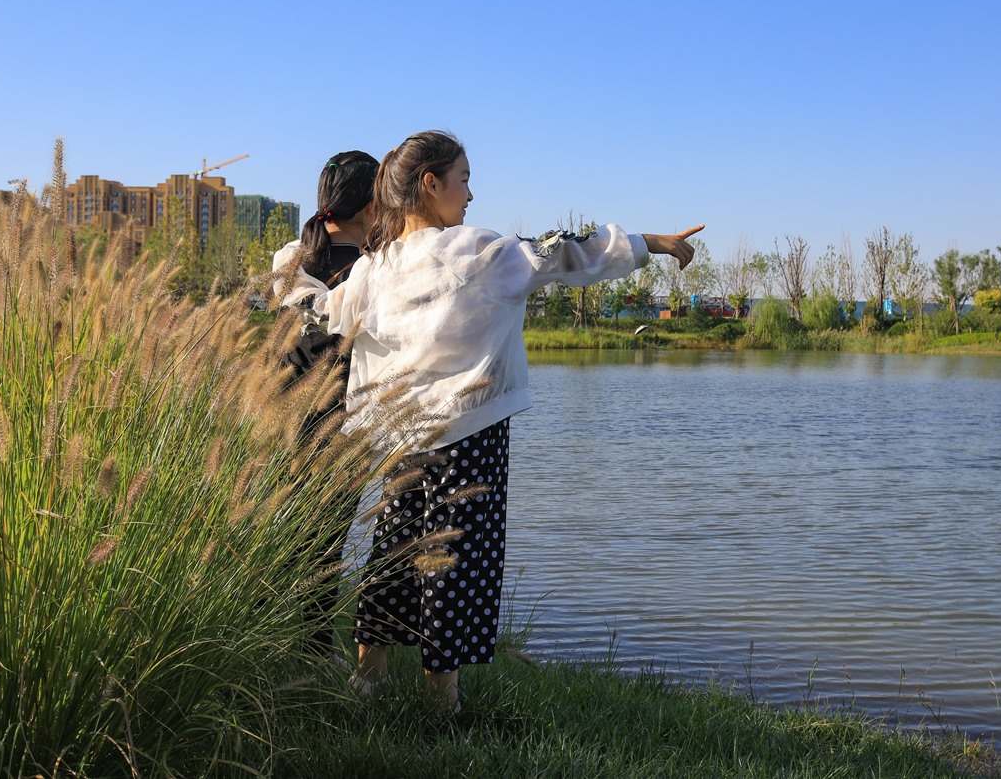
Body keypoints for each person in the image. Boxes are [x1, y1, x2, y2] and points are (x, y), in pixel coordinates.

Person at [285, 130, 701, 718]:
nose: (471, 194)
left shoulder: (375, 268)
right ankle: (442, 706)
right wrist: (649, 242)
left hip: (402, 439)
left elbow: (325, 310)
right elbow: (565, 254)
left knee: (393, 555)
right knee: (456, 566)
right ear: (430, 184)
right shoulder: (478, 251)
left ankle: (367, 679)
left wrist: (289, 265)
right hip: (470, 437)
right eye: (464, 180)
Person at [271, 150, 378, 657]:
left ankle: (293, 647)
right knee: (322, 534)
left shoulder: (295, 257)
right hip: (334, 411)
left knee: (297, 528)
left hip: (294, 405)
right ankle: (309, 650)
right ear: (371, 203)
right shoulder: (375, 265)